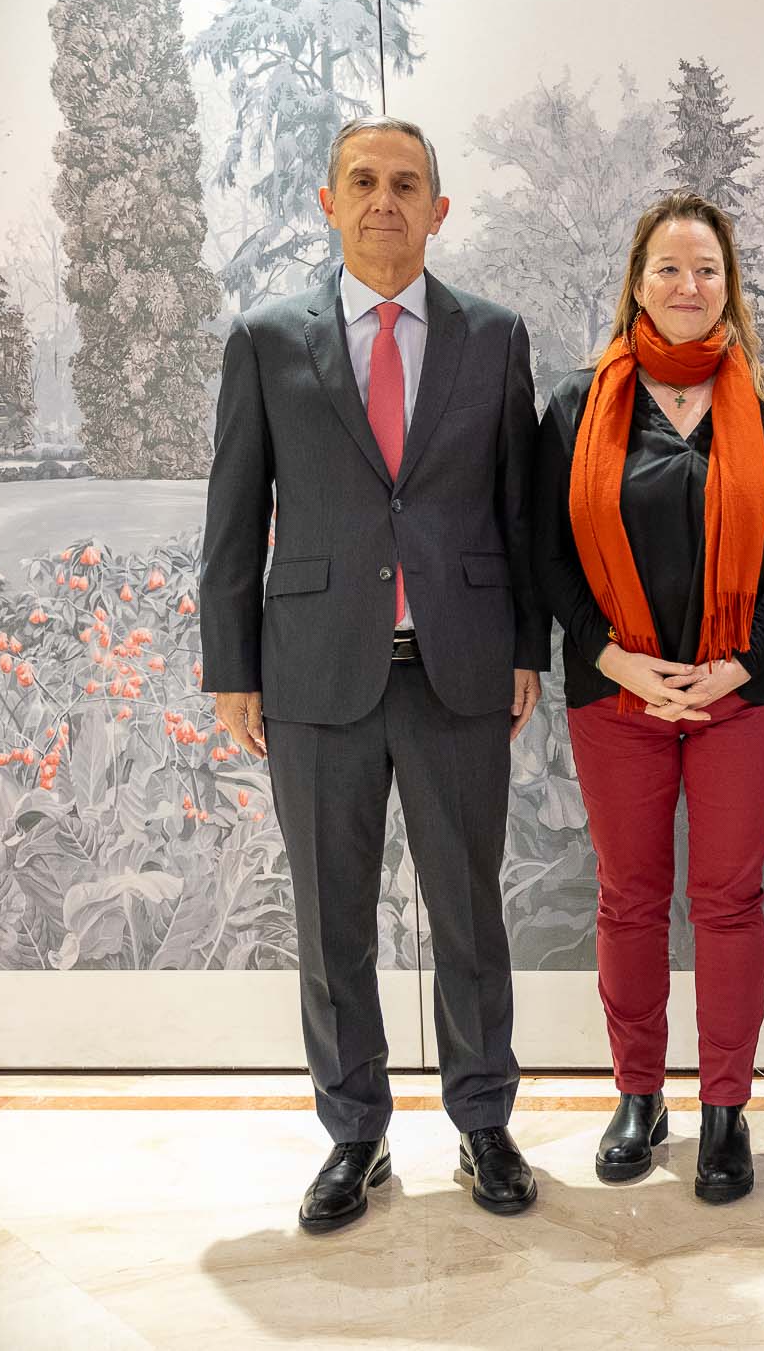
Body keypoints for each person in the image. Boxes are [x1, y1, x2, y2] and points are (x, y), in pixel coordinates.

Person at [201, 116, 546, 1231]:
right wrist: (229, 665)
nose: (384, 200)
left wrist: (524, 649)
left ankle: (483, 1123)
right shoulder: (265, 338)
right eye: (364, 181)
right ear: (329, 202)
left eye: (407, 184)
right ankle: (355, 1137)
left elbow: (518, 510)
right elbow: (233, 509)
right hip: (311, 677)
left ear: (439, 211)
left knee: (467, 916)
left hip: (455, 672)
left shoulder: (492, 336)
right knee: (330, 920)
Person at [530, 191, 764, 1204]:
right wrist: (617, 660)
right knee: (629, 900)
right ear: (637, 282)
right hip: (617, 696)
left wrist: (736, 667)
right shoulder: (575, 404)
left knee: (728, 902)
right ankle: (639, 1094)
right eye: (668, 269)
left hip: (741, 697)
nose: (688, 287)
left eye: (706, 269)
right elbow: (547, 552)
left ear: (729, 285)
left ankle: (726, 1107)